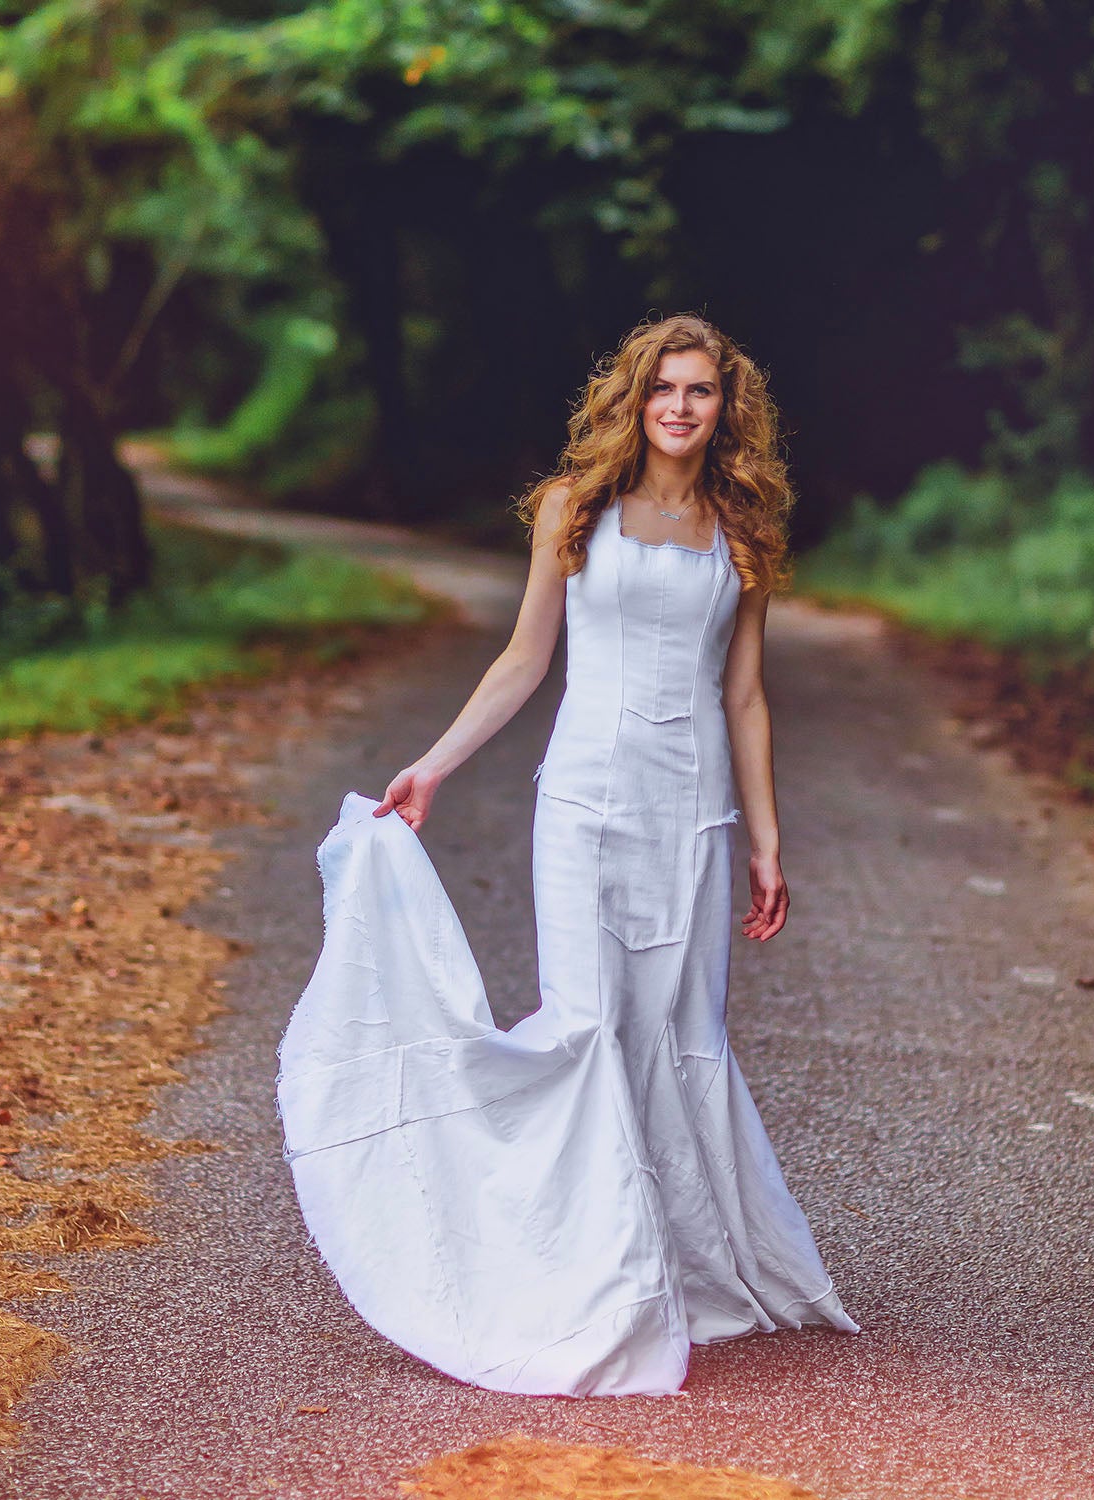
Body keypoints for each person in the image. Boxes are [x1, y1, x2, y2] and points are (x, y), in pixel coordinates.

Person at [275, 313, 859, 1399]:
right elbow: (524, 658)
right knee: (587, 1028)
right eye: (663, 390)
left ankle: (683, 1266)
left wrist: (766, 843)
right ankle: (587, 1280)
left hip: (692, 816)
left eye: (701, 393)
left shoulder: (741, 533)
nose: (680, 409)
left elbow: (743, 693)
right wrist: (435, 766)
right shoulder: (572, 511)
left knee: (680, 1032)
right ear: (633, 401)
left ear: (727, 409)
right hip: (585, 804)